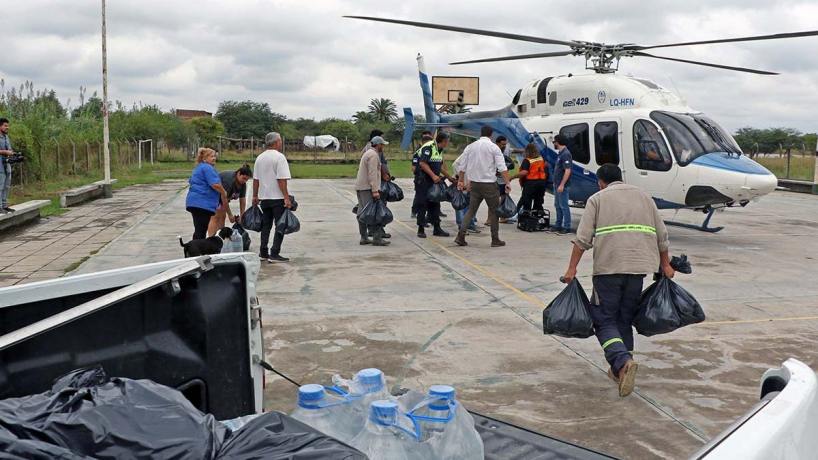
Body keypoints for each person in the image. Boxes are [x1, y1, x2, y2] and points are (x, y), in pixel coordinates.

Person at [561, 164, 675, 397]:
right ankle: (620, 369)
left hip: (608, 269)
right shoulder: (644, 197)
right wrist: (665, 265)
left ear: (601, 181)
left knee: (603, 320)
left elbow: (582, 239)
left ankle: (622, 361)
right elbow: (662, 236)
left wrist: (571, 270)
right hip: (638, 269)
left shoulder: (597, 199)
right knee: (624, 317)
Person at [454, 126, 511, 247]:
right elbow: (502, 167)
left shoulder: (471, 147)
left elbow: (462, 166)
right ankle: (495, 239)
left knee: (471, 210)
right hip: (489, 184)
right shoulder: (493, 147)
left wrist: (460, 181)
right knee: (494, 211)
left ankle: (460, 235)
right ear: (491, 134)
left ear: (481, 133)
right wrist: (507, 183)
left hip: (474, 184)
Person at [253, 132, 293, 262]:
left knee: (266, 226)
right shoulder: (279, 157)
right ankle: (275, 253)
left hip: (264, 198)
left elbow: (256, 180)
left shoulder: (260, 158)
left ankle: (263, 252)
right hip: (277, 198)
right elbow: (281, 180)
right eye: (280, 141)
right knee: (280, 225)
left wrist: (255, 196)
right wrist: (286, 197)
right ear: (276, 142)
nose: (281, 143)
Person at [185, 148, 229, 240]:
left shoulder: (199, 167)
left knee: (199, 229)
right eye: (211, 156)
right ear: (204, 159)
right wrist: (223, 191)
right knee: (201, 230)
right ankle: (197, 251)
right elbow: (215, 184)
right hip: (202, 203)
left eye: (214, 156)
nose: (214, 158)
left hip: (195, 202)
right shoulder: (207, 168)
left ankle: (195, 250)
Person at [416, 132, 453, 238]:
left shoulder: (439, 149)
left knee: (436, 203)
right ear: (444, 141)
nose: (448, 144)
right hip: (423, 180)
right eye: (447, 142)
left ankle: (437, 228)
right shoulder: (429, 147)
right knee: (423, 204)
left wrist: (449, 177)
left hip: (434, 181)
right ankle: (421, 229)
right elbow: (422, 163)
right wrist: (433, 176)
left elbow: (439, 166)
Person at [355, 136, 390, 246]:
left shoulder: (368, 153)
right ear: (378, 144)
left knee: (362, 212)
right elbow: (372, 174)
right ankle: (376, 238)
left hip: (361, 187)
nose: (383, 147)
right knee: (373, 213)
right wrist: (375, 190)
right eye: (382, 144)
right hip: (367, 188)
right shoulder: (374, 155)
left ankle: (364, 237)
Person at [207, 164, 252, 237]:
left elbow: (242, 200)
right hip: (212, 195)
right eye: (243, 178)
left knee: (222, 216)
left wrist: (242, 216)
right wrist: (230, 215)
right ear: (238, 174)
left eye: (247, 179)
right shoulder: (229, 181)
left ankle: (221, 238)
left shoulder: (243, 184)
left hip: (223, 198)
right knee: (216, 217)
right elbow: (224, 199)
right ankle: (211, 239)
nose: (245, 181)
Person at [363, 129, 392, 239]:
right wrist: (384, 175)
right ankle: (377, 232)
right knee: (378, 208)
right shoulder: (374, 153)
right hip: (376, 182)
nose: (383, 144)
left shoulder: (368, 149)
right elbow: (375, 169)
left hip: (373, 182)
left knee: (372, 207)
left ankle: (372, 231)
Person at [509, 143, 548, 212]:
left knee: (527, 201)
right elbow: (545, 167)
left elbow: (524, 172)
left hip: (531, 183)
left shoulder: (527, 160)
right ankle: (537, 217)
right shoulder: (541, 158)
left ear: (527, 151)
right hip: (542, 183)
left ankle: (526, 218)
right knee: (538, 202)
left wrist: (512, 177)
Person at [548, 134, 573, 234]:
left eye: (554, 142)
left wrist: (562, 184)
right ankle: (558, 224)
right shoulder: (560, 153)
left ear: (558, 142)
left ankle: (566, 226)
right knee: (557, 205)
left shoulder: (565, 154)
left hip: (562, 185)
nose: (553, 143)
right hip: (557, 184)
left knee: (563, 205)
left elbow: (568, 170)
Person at [452, 148, 479, 233]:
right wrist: (461, 180)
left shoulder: (478, 157)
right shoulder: (466, 155)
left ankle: (470, 225)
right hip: (463, 184)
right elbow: (455, 165)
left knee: (470, 205)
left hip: (471, 185)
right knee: (461, 205)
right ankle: (461, 226)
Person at [411, 130, 434, 220]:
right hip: (421, 179)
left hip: (429, 179)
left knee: (430, 198)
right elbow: (413, 167)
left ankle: (429, 216)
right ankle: (415, 211)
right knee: (420, 197)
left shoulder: (433, 150)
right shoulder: (418, 152)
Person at [494, 136, 516, 224]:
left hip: (503, 179)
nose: (504, 146)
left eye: (505, 144)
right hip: (496, 180)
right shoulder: (494, 151)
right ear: (497, 143)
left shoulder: (505, 150)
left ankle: (502, 217)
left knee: (503, 198)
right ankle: (493, 218)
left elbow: (513, 151)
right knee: (497, 199)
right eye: (503, 144)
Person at [0, 118, 14, 214]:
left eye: (7, 125)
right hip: (0, 165)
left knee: (7, 186)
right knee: (0, 186)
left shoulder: (6, 137)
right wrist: (5, 152)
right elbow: (5, 151)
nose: (7, 127)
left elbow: (9, 149)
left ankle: (5, 206)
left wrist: (12, 152)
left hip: (7, 164)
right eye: (5, 125)